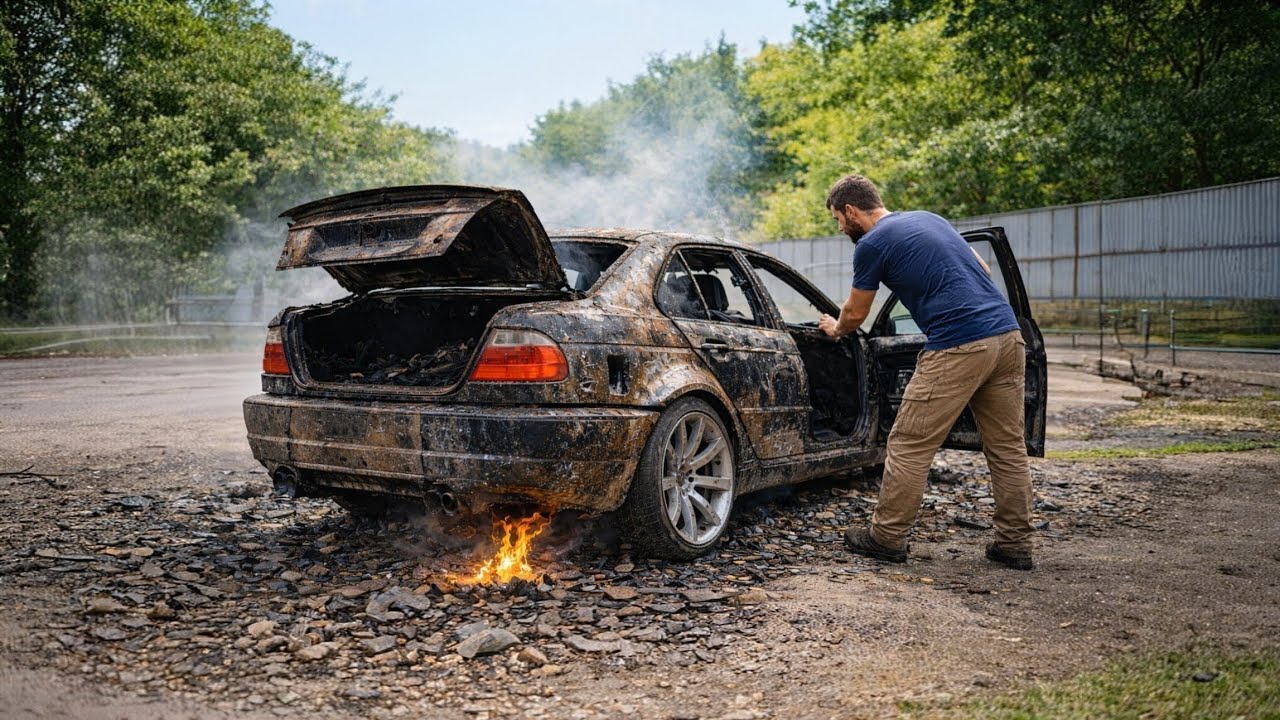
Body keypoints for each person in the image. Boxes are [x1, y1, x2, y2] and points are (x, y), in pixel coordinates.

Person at [817, 174, 1034, 570]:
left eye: (837, 219)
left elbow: (856, 312)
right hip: (1008, 337)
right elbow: (983, 268)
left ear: (851, 210)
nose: (839, 228)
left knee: (908, 443)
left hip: (959, 343)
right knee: (1007, 448)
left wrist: (836, 329)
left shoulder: (871, 244)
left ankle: (886, 537)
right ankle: (1015, 545)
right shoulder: (929, 218)